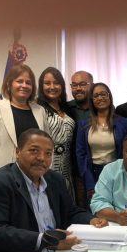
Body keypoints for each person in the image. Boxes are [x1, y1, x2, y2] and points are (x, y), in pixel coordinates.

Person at [76, 82, 127, 201]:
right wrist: (89, 183)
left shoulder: (123, 123)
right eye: (96, 95)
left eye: (103, 94)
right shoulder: (84, 124)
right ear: (92, 100)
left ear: (109, 96)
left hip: (117, 172)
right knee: (97, 208)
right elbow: (80, 154)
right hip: (93, 173)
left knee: (117, 206)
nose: (100, 98)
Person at [36, 67, 76, 201]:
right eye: (47, 83)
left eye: (56, 83)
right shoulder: (36, 107)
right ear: (41, 86)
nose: (52, 87)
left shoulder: (67, 107)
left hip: (67, 166)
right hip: (46, 165)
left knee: (67, 202)